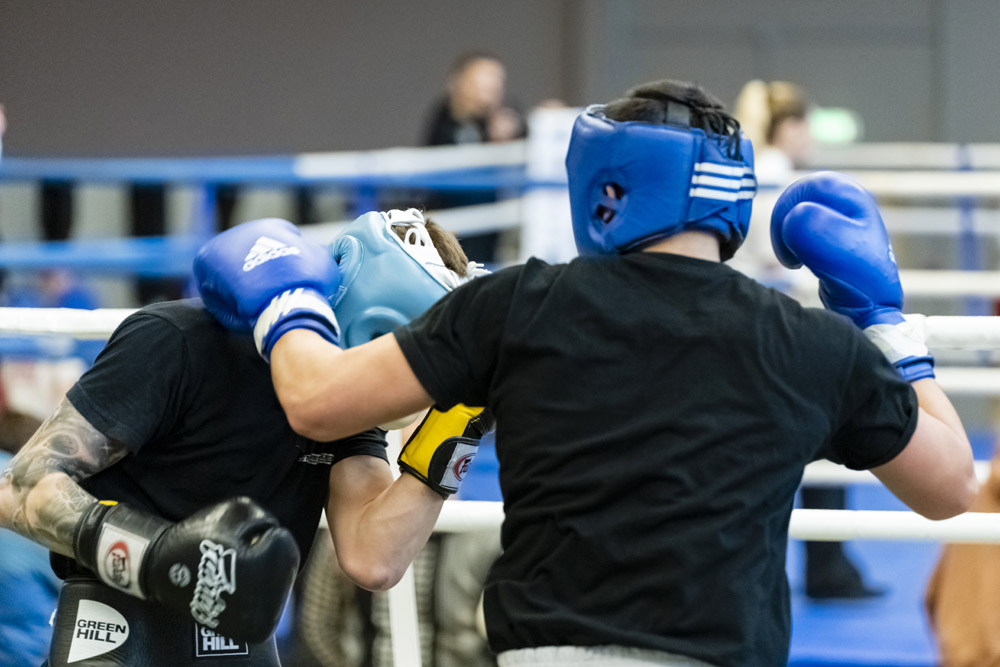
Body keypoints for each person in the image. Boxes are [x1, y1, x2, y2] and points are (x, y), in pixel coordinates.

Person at [193, 79, 977, 667]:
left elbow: (318, 401)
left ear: (605, 191)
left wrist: (287, 301)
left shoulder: (516, 306)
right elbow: (950, 486)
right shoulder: (808, 341)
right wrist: (884, 321)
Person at [0, 208, 492, 667]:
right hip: (118, 629)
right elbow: (19, 489)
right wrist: (153, 554)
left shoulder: (346, 410)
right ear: (376, 327)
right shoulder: (180, 339)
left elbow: (374, 559)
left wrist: (457, 429)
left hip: (242, 640)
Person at [733, 79, 882, 600]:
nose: (810, 138)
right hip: (775, 328)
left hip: (751, 326)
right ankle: (828, 566)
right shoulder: (776, 174)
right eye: (806, 126)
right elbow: (775, 260)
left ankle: (823, 565)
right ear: (789, 126)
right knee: (822, 434)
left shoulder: (749, 168)